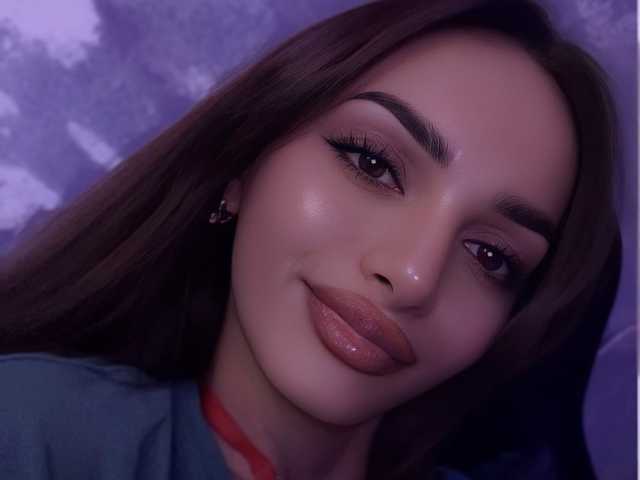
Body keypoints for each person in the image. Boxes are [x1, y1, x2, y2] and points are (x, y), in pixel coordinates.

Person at [0, 0, 620, 479]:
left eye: (491, 256)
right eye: (373, 163)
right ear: (243, 160)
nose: (413, 274)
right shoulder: (35, 434)